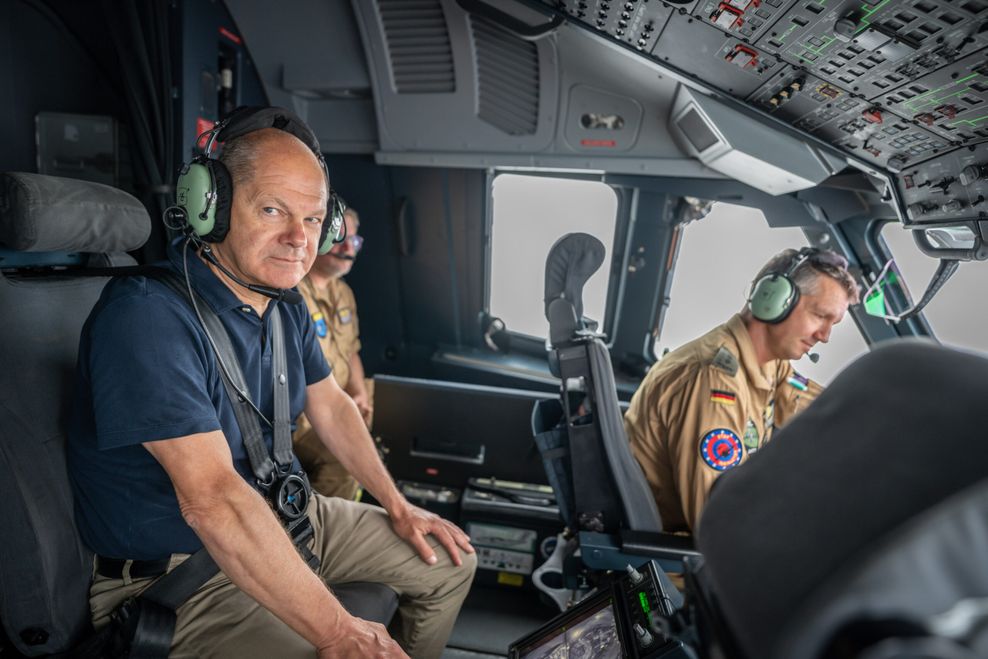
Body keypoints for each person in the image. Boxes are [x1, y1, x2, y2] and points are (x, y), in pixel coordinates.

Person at [67, 107, 476, 659]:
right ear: (208, 206)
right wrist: (339, 632)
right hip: (182, 569)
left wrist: (397, 505)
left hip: (286, 514)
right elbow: (213, 501)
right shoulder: (145, 318)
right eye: (271, 210)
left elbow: (330, 404)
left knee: (451, 561)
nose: (298, 240)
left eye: (312, 220)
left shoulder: (283, 304)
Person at [624, 247, 859, 534]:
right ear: (773, 300)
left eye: (831, 324)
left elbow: (820, 407)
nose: (824, 336)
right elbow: (717, 525)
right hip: (676, 566)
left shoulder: (769, 365)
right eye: (820, 316)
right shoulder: (713, 382)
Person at [294, 205, 370, 500]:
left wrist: (359, 392)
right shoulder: (292, 291)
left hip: (341, 402)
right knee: (348, 457)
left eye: (355, 241)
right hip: (303, 418)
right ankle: (317, 536)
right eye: (341, 238)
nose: (349, 248)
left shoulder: (344, 293)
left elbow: (351, 350)